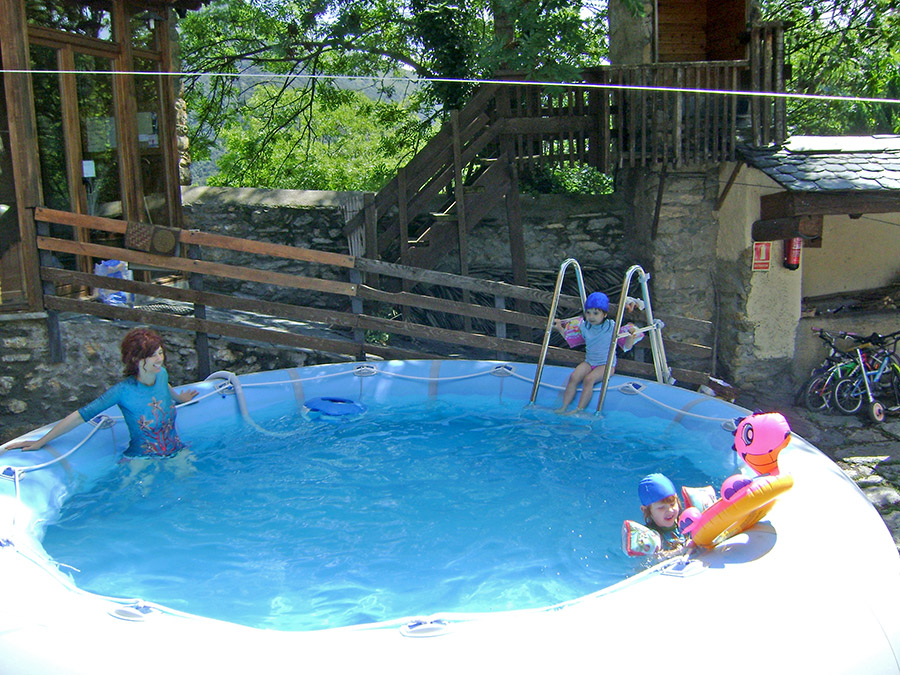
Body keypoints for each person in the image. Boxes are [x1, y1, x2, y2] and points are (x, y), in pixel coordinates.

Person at [1, 327, 198, 459]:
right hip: (142, 460)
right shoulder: (122, 392)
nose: (160, 359)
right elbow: (80, 416)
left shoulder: (161, 374)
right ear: (137, 359)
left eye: (161, 353)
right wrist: (40, 442)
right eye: (153, 355)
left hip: (176, 450)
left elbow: (165, 387)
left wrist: (181, 399)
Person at [553, 291, 637, 413]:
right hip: (589, 362)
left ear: (605, 314)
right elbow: (570, 338)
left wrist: (630, 336)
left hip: (606, 365)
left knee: (589, 379)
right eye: (588, 313)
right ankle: (564, 406)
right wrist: (560, 327)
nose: (591, 317)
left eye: (596, 313)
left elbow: (627, 346)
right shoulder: (585, 326)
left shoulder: (611, 327)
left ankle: (578, 409)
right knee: (574, 377)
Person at [638, 473, 687, 553]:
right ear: (645, 510)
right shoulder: (649, 537)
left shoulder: (686, 522)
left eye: (672, 504)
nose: (670, 511)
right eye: (661, 507)